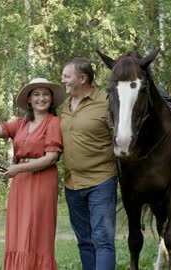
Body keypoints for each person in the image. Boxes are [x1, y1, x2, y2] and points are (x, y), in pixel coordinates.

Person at [0, 78, 65, 270]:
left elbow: (51, 158)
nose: (41, 98)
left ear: (51, 99)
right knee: (19, 230)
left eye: (46, 94)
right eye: (36, 94)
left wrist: (17, 169)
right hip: (21, 183)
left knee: (37, 229)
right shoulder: (20, 124)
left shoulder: (54, 122)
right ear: (29, 100)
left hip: (43, 181)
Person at [60, 58, 118, 270]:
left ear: (82, 78)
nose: (63, 80)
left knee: (102, 240)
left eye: (67, 76)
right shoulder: (65, 106)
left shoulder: (107, 102)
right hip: (72, 184)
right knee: (84, 241)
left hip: (100, 182)